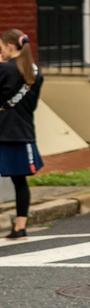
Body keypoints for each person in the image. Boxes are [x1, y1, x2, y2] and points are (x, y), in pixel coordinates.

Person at [0, 31, 43, 240]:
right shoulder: (35, 73)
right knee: (20, 181)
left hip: (2, 130)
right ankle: (20, 226)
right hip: (23, 131)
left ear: (9, 46)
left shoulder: (4, 69)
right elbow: (32, 106)